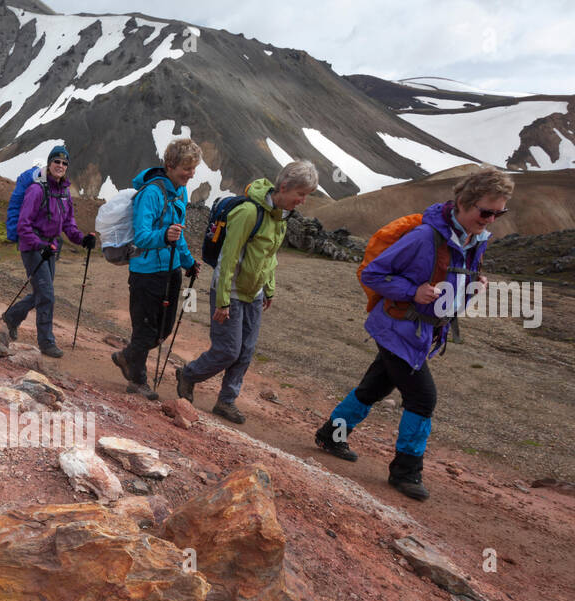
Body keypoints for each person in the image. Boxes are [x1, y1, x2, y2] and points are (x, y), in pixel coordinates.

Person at [312, 166, 513, 501]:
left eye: (499, 212)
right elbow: (373, 274)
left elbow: (449, 288)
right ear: (463, 202)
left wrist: (472, 287)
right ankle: (406, 471)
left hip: (417, 333)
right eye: (485, 211)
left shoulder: (473, 240)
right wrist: (412, 292)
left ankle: (331, 435)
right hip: (396, 328)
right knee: (423, 397)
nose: (491, 219)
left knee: (375, 386)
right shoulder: (424, 237)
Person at [176, 160, 318, 423]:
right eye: (301, 195)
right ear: (284, 187)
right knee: (228, 350)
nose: (303, 202)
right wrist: (222, 301)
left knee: (246, 351)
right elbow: (227, 258)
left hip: (255, 294)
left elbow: (269, 257)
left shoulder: (281, 217)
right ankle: (188, 375)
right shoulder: (249, 212)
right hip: (229, 292)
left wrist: (270, 289)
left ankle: (226, 401)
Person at [110, 137, 201, 399]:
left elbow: (178, 233)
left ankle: (126, 357)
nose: (191, 174)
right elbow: (141, 237)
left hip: (170, 270)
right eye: (187, 168)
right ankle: (137, 381)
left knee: (163, 330)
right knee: (145, 330)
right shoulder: (151, 193)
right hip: (146, 273)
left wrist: (188, 262)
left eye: (193, 168)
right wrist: (165, 237)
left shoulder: (180, 192)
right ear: (170, 165)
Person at [2, 145, 96, 358]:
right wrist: (38, 244)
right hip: (33, 248)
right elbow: (23, 226)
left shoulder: (64, 193)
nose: (60, 166)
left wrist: (83, 239)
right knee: (46, 295)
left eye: (64, 163)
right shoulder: (37, 190)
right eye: (57, 161)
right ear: (49, 162)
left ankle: (11, 317)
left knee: (41, 293)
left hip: (50, 248)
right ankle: (46, 342)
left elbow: (69, 225)